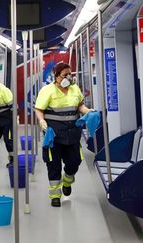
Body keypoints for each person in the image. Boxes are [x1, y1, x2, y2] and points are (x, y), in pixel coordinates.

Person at [34, 62, 93, 207]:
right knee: (53, 165)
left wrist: (88, 111)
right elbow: (39, 108)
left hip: (72, 134)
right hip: (53, 135)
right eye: (65, 74)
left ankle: (67, 180)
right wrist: (41, 121)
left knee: (74, 162)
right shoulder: (47, 90)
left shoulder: (75, 89)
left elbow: (80, 105)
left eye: (70, 74)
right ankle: (55, 195)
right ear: (56, 76)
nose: (68, 77)